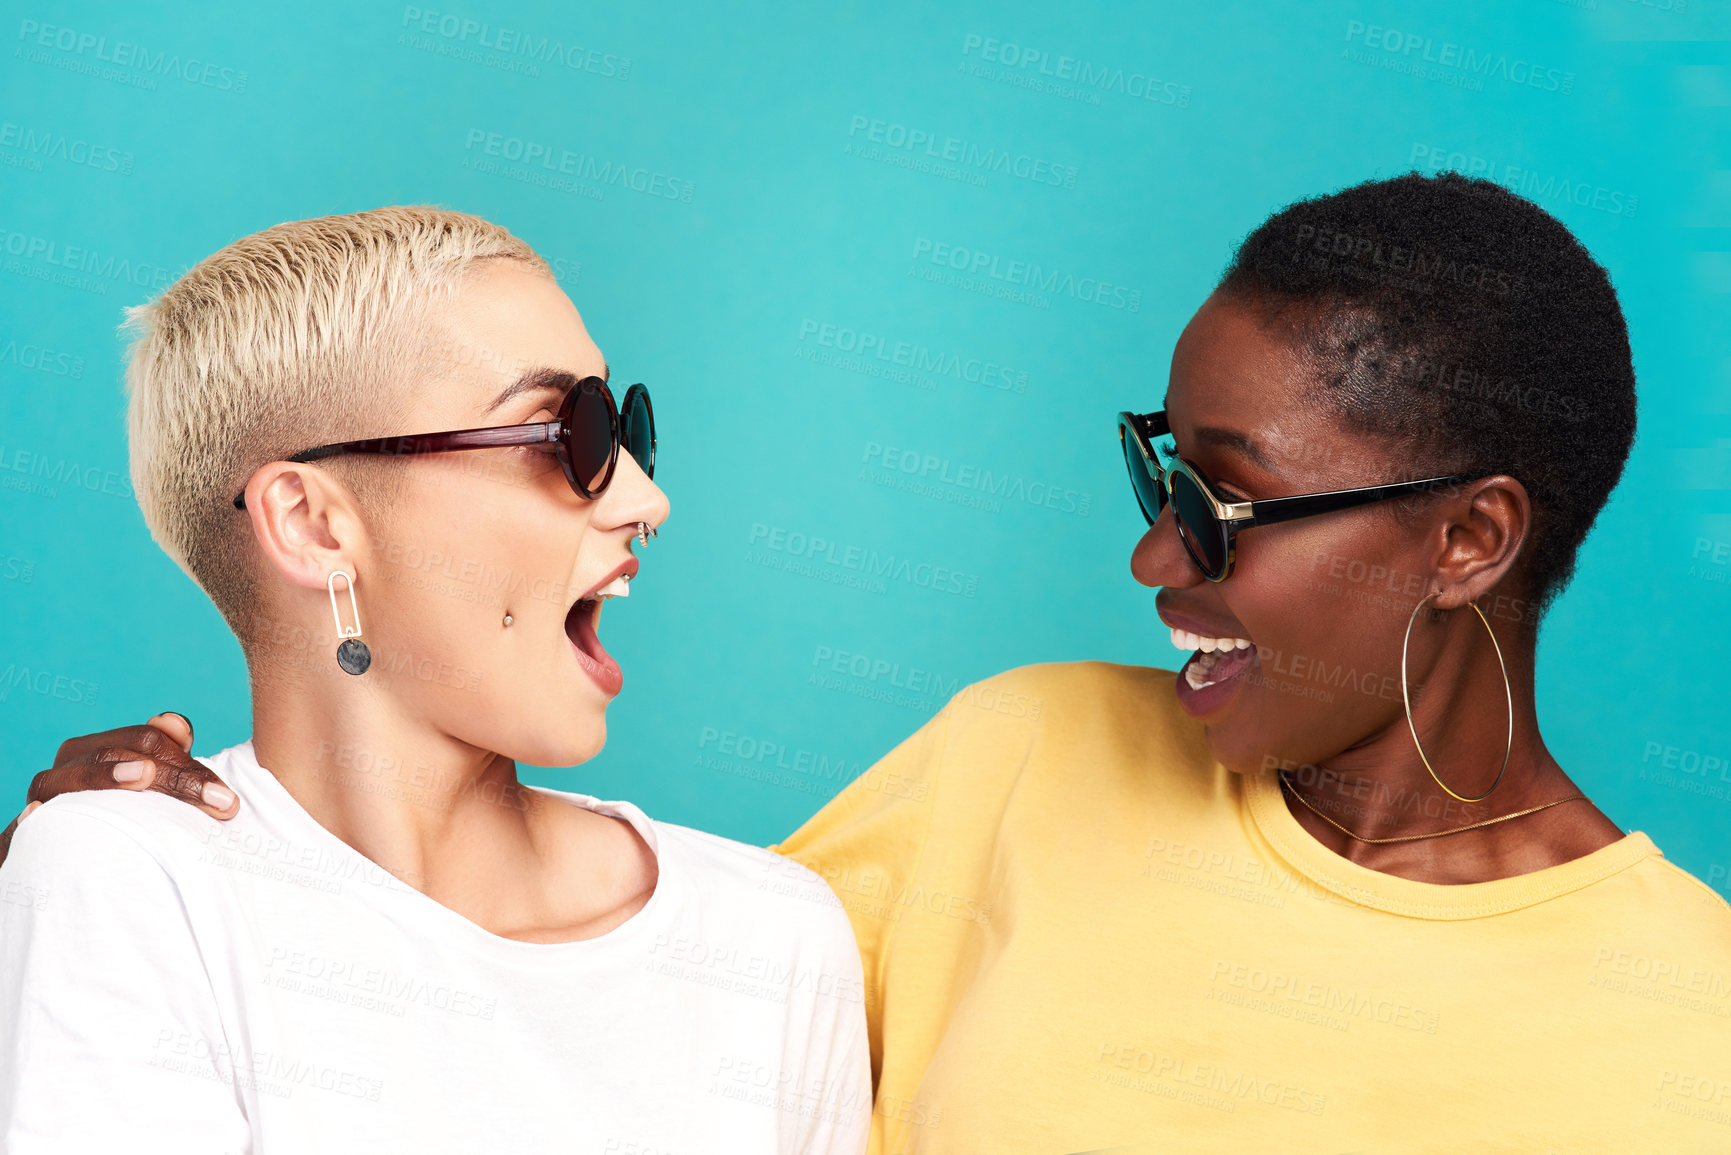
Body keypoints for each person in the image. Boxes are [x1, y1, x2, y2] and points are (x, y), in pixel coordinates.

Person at [12, 174, 1731, 1152]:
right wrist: (127, 861)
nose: (1151, 556)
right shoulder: (1027, 760)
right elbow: (544, 1003)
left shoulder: (1699, 1024)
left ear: (1470, 540)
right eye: (1155, 473)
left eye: (1224, 507)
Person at [0, 207, 870, 1154]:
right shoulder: (132, 880)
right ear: (313, 524)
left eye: (623, 429)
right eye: (558, 433)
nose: (643, 498)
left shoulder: (772, 938)